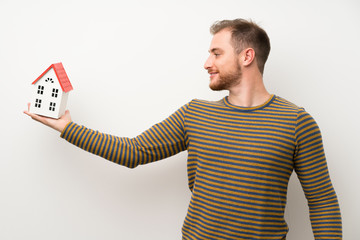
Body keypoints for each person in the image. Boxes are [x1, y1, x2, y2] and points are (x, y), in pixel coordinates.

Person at [24, 19, 342, 239]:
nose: (206, 62)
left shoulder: (296, 122)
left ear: (247, 56)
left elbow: (323, 202)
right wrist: (66, 127)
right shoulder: (196, 114)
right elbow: (133, 152)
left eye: (217, 53)